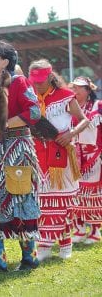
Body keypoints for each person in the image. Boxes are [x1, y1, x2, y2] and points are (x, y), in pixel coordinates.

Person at [0, 40, 42, 273]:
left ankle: (29, 258)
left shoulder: (18, 81)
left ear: (4, 62)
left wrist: (2, 125)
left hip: (15, 149)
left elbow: (33, 111)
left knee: (20, 200)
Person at [28, 59, 89, 261]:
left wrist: (70, 135)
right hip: (37, 154)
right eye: (34, 79)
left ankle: (65, 243)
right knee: (42, 202)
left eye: (41, 79)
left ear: (50, 76)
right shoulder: (30, 97)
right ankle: (44, 244)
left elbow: (84, 120)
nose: (37, 83)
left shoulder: (65, 97)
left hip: (60, 152)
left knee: (61, 201)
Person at [70, 76, 102, 244]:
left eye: (79, 87)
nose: (75, 90)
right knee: (76, 193)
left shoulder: (99, 106)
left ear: (88, 90)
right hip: (74, 156)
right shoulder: (70, 107)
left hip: (93, 156)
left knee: (93, 194)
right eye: (73, 87)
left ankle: (96, 230)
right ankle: (80, 228)